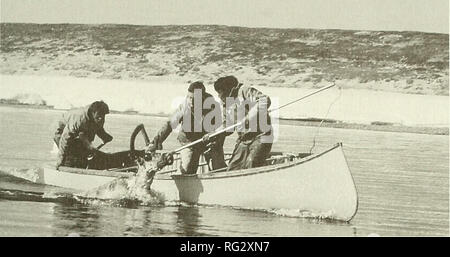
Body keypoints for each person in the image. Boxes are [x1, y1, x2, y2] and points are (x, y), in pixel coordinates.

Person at [150, 81, 227, 174]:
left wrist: (214, 137)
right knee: (187, 170)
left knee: (218, 168)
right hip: (189, 142)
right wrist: (156, 142)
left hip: (208, 141)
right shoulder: (184, 107)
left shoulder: (213, 106)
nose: (191, 102)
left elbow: (221, 128)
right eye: (189, 98)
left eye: (195, 99)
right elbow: (169, 125)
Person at [212, 75, 273, 171]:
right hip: (244, 138)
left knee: (252, 164)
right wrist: (213, 134)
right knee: (233, 167)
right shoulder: (226, 103)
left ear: (228, 90)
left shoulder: (244, 91)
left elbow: (264, 100)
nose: (219, 96)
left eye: (220, 92)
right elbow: (227, 126)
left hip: (261, 136)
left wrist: (249, 117)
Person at [54, 100, 113, 169]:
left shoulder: (99, 118)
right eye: (99, 115)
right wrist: (60, 159)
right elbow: (65, 139)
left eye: (103, 115)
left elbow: (98, 128)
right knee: (70, 157)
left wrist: (104, 136)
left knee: (83, 155)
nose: (101, 118)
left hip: (80, 133)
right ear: (92, 112)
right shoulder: (79, 119)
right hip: (62, 132)